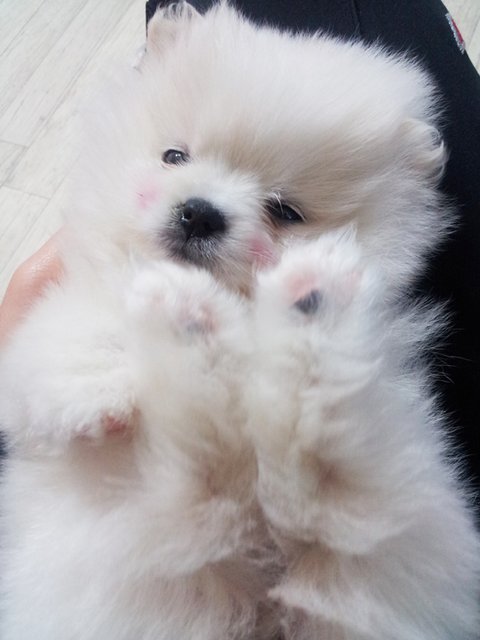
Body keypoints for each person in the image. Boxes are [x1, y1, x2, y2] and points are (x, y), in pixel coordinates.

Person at [1, 0, 479, 505]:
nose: (200, 208)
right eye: (176, 157)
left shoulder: (342, 375)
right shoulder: (84, 313)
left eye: (284, 211)